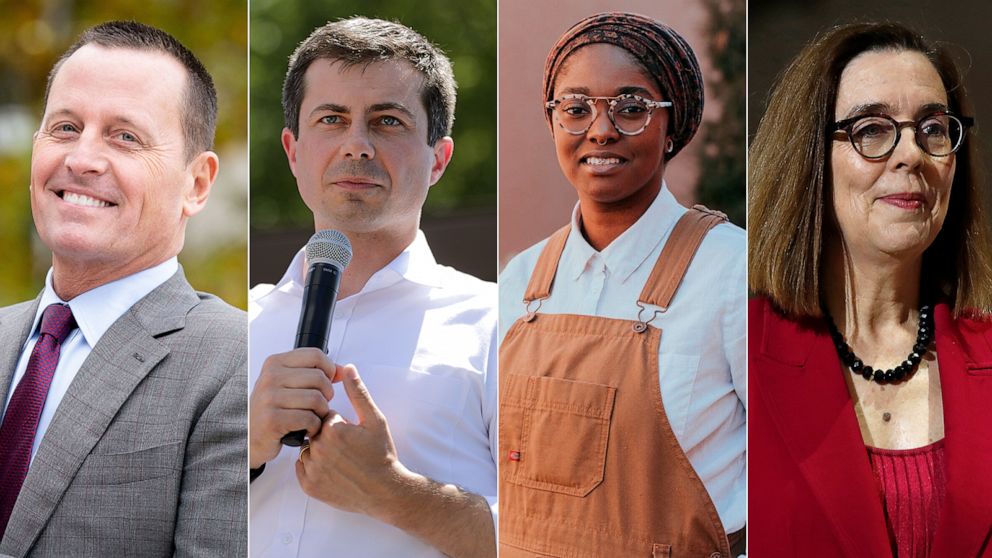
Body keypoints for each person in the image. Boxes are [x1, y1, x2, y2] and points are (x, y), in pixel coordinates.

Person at [498, 12, 746, 558]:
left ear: (673, 123)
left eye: (632, 108)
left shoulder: (731, 271)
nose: (602, 129)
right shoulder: (517, 283)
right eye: (576, 108)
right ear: (552, 121)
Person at [248, 17, 497, 558]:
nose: (356, 145)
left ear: (439, 159)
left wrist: (396, 495)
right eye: (332, 119)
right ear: (293, 151)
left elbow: (561, 533)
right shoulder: (229, 328)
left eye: (387, 121)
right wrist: (242, 449)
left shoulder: (501, 327)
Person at [0, 21, 247, 557]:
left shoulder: (235, 362)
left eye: (125, 136)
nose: (82, 158)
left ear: (197, 183)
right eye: (65, 128)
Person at [749, 22, 992, 557]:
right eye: (873, 128)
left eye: (933, 128)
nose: (912, 155)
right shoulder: (738, 345)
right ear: (810, 159)